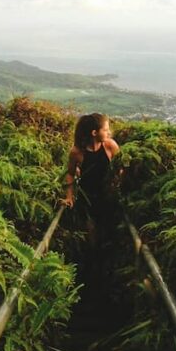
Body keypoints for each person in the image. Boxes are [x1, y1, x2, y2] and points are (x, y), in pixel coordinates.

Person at [62, 113, 121, 301]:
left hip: (109, 199)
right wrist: (69, 197)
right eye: (105, 129)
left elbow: (121, 168)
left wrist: (118, 183)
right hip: (88, 201)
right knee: (92, 237)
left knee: (108, 233)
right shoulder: (77, 152)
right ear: (94, 132)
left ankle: (107, 273)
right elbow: (70, 175)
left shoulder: (110, 146)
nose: (109, 132)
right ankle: (93, 278)